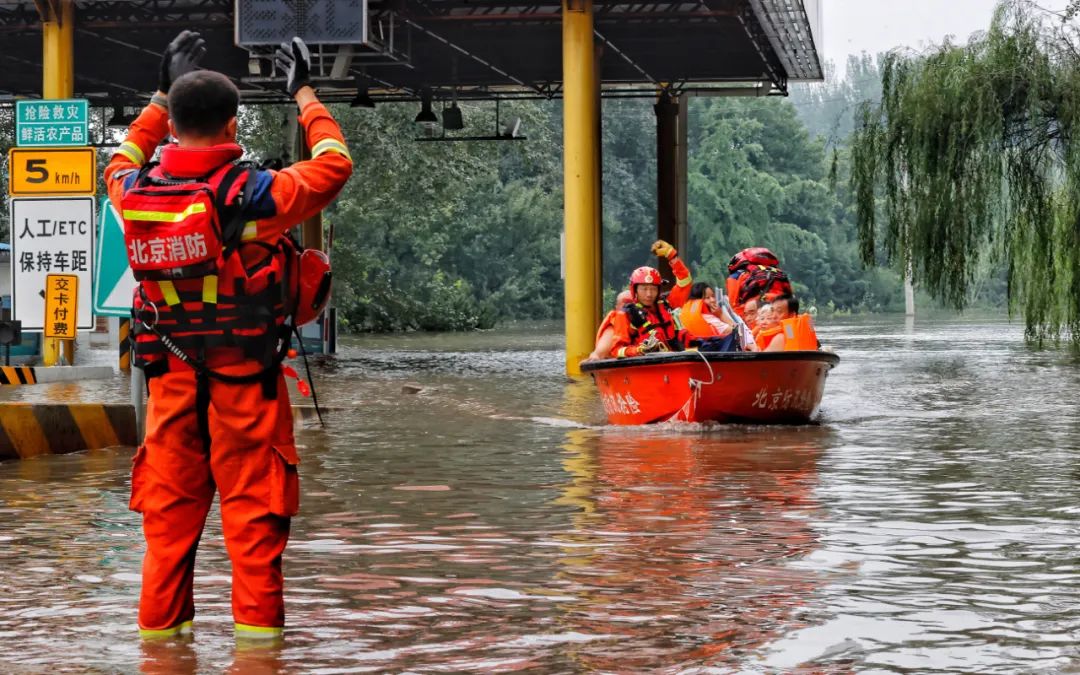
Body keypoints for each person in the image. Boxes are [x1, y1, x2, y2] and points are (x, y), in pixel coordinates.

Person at [105, 31, 353, 640]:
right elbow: (334, 163)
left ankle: (161, 656)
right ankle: (259, 658)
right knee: (255, 535)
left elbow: (120, 160)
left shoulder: (133, 194)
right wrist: (303, 92)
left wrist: (158, 97)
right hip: (247, 389)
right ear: (232, 125)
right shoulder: (258, 196)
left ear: (173, 126)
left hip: (170, 394)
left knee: (166, 540)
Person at [610, 240, 693, 358]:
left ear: (659, 290)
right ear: (635, 290)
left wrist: (672, 256)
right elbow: (616, 350)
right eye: (644, 289)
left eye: (653, 289)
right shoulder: (625, 315)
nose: (649, 294)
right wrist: (639, 350)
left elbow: (685, 282)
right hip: (646, 365)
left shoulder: (667, 304)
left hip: (673, 361)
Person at [726, 247, 792, 318]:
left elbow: (733, 304)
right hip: (782, 315)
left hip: (756, 316)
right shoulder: (779, 273)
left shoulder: (736, 275)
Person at [586, 290, 633, 362]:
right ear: (617, 307)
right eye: (626, 304)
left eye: (633, 304)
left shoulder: (645, 322)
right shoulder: (613, 328)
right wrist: (595, 356)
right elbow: (599, 354)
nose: (630, 308)